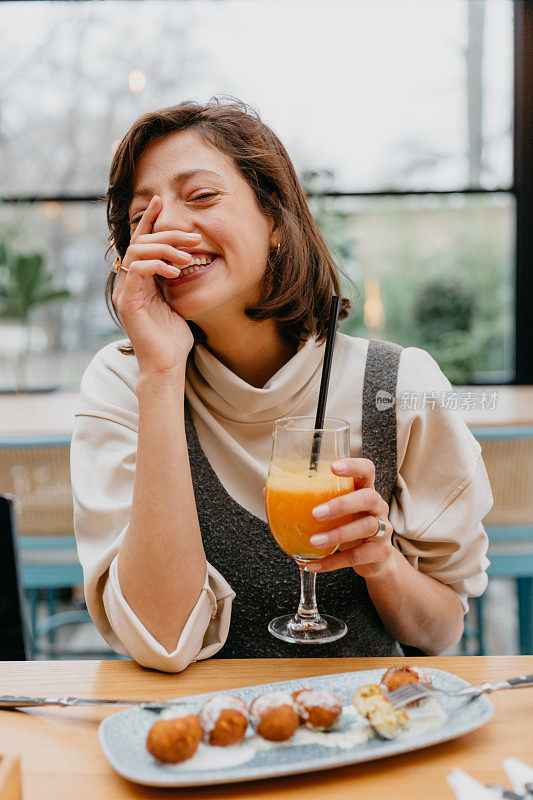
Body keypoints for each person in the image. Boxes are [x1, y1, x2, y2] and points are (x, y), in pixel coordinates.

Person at [71, 98, 492, 672]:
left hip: (363, 735)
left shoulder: (397, 386)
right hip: (204, 743)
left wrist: (381, 562)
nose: (166, 225)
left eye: (201, 196)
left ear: (274, 219)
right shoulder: (126, 382)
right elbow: (161, 642)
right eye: (144, 213)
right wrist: (162, 373)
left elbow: (441, 630)